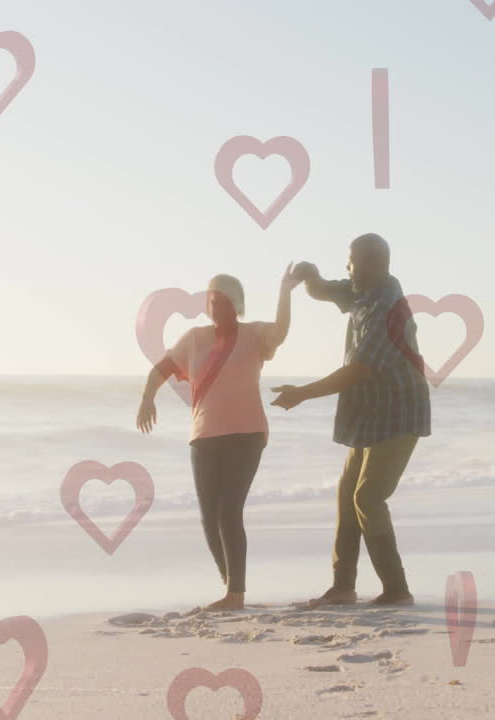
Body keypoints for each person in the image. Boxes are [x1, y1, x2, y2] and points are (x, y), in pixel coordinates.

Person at [271, 233, 430, 607]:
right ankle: (343, 587)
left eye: (352, 262)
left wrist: (302, 393)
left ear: (375, 264)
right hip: (370, 412)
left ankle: (397, 589)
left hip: (399, 411)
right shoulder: (365, 290)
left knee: (368, 497)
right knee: (347, 496)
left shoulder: (387, 308)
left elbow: (358, 369)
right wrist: (310, 278)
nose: (347, 269)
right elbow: (327, 291)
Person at [137, 264, 302, 611]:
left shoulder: (255, 335)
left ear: (238, 305)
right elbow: (161, 370)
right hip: (204, 435)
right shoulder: (194, 339)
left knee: (229, 511)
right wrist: (147, 398)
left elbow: (283, 330)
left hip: (247, 433)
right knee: (208, 516)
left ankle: (236, 595)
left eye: (224, 302)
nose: (217, 308)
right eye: (212, 301)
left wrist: (285, 292)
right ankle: (230, 584)